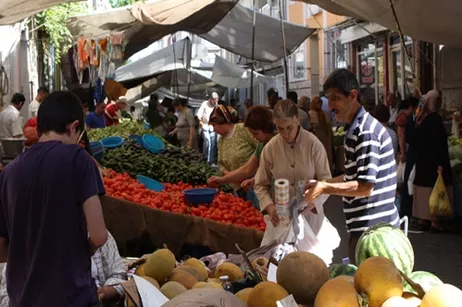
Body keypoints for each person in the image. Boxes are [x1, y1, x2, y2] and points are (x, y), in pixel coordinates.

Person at [0, 91, 108, 306]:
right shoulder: (79, 159)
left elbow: (1, 250)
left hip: (23, 299)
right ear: (73, 126)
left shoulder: (8, 172)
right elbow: (98, 235)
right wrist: (79, 251)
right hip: (71, 295)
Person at [304, 69, 400, 264]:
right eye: (328, 99)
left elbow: (364, 187)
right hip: (366, 231)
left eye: (335, 98)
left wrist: (324, 187)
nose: (330, 106)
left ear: (353, 95)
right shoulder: (356, 129)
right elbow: (351, 176)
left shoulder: (366, 132)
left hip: (374, 235)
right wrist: (322, 184)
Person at [254, 100, 338, 264]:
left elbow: (326, 181)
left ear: (297, 120)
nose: (285, 134)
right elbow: (260, 184)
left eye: (289, 128)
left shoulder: (313, 145)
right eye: (280, 129)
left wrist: (313, 203)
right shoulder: (270, 148)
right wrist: (269, 207)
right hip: (282, 220)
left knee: (312, 269)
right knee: (282, 268)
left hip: (311, 220)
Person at [0, 231, 126, 306]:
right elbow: (5, 296)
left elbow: (119, 276)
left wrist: (105, 292)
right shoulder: (28, 241)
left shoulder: (97, 236)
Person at [208, 106, 276, 194]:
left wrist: (255, 179)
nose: (253, 137)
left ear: (267, 128)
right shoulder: (261, 145)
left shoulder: (277, 143)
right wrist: (222, 180)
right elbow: (247, 169)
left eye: (255, 133)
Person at [413, 90, 453, 232]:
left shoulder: (421, 118)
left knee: (424, 188)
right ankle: (435, 222)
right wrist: (441, 163)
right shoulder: (435, 119)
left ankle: (423, 219)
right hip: (434, 162)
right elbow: (439, 143)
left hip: (422, 161)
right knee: (434, 188)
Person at [209, 104, 256, 197]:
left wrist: (250, 175)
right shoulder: (221, 141)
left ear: (222, 122)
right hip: (237, 187)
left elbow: (260, 149)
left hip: (253, 183)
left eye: (214, 125)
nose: (213, 129)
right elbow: (221, 164)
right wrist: (231, 176)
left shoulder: (243, 129)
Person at [309, 96, 334, 168]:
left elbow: (329, 127)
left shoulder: (325, 114)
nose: (319, 104)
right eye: (317, 103)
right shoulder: (310, 115)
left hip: (327, 142)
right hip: (318, 141)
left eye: (320, 102)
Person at [197, 92, 219, 165]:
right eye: (213, 100)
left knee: (213, 143)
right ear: (210, 99)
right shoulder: (204, 104)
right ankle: (206, 158)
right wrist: (200, 121)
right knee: (207, 141)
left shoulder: (216, 105)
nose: (214, 101)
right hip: (205, 125)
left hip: (213, 126)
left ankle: (211, 160)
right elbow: (199, 114)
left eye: (216, 100)